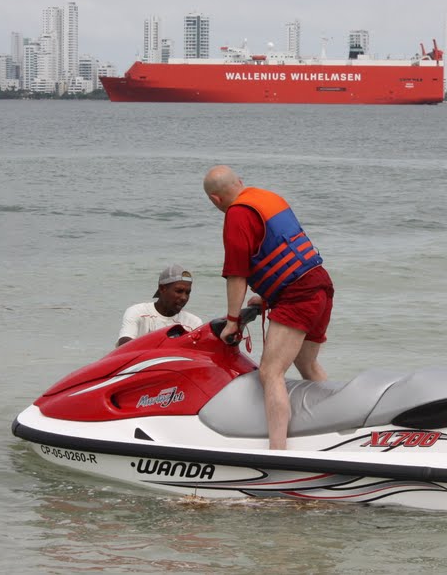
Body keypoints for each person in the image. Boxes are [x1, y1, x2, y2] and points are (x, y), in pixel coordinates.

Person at [202, 165, 334, 450]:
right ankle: (338, 427)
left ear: (215, 199)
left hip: (298, 296)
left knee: (270, 373)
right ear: (240, 182)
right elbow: (284, 249)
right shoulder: (267, 198)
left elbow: (237, 275)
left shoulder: (236, 214)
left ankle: (277, 451)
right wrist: (267, 297)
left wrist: (233, 320)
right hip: (320, 284)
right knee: (307, 364)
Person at [117, 264, 202, 346]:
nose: (184, 297)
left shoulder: (193, 324)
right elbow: (124, 345)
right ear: (162, 289)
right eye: (179, 291)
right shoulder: (137, 313)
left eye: (187, 293)